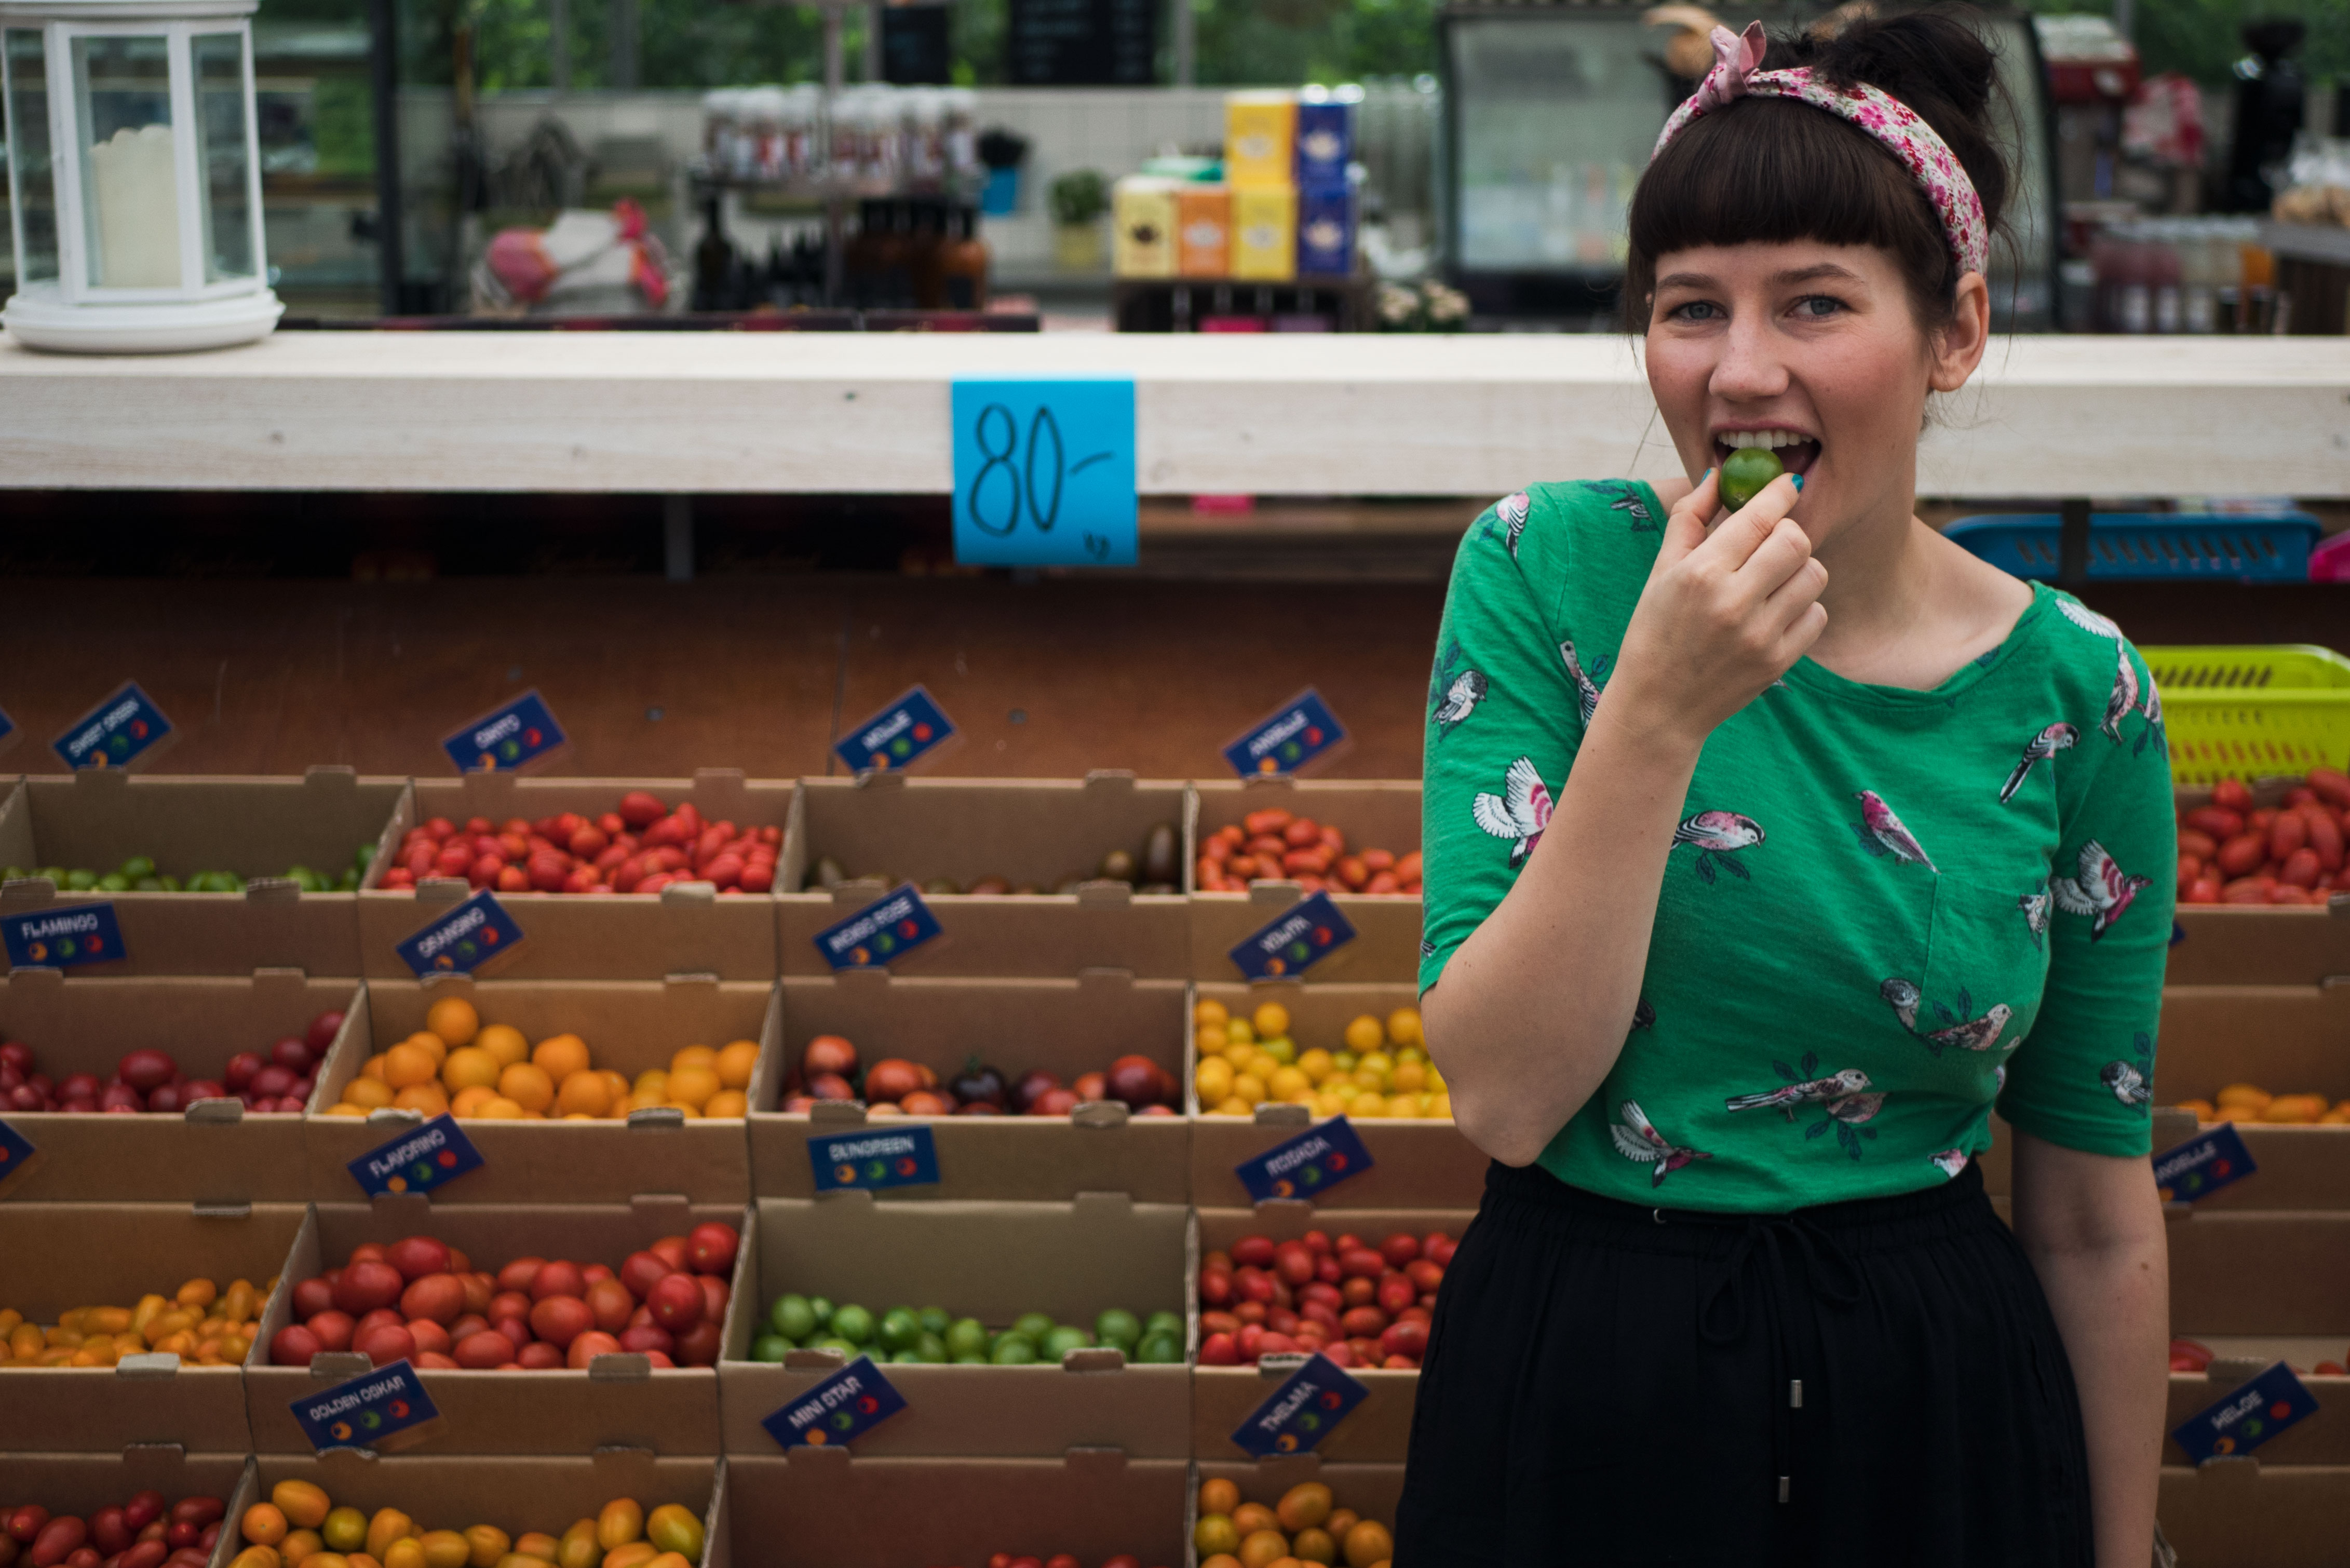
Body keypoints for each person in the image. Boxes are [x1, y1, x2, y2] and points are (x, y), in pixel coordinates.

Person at [1397, 9, 2175, 1565]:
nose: (1741, 372)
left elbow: (2091, 1207)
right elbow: (1502, 1088)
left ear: (1954, 329)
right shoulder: (1546, 571)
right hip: (1588, 1375)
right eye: (1692, 308)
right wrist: (1660, 708)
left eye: (1814, 302)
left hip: (1932, 1396)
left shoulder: (2080, 693)